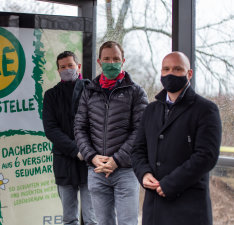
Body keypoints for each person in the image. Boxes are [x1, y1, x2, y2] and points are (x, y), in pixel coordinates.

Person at [131, 51, 222, 225]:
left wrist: (170, 184)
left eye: (177, 69)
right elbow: (137, 150)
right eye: (166, 69)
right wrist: (144, 173)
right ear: (161, 73)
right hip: (154, 208)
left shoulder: (206, 110)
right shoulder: (151, 110)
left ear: (189, 74)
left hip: (189, 208)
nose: (170, 73)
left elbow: (206, 157)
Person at [74, 41, 148, 225]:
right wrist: (91, 157)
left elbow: (140, 131)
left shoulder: (136, 92)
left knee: (127, 222)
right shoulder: (89, 91)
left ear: (123, 61)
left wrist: (117, 159)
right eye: (106, 59)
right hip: (97, 170)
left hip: (126, 171)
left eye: (116, 58)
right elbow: (80, 128)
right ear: (99, 61)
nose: (111, 62)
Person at [43, 51, 97, 225]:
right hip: (64, 162)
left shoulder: (92, 90)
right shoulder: (51, 95)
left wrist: (86, 150)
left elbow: (98, 124)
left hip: (90, 162)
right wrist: (75, 150)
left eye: (70, 66)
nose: (67, 69)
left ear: (78, 66)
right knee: (69, 218)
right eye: (63, 67)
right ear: (58, 70)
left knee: (92, 218)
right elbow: (51, 129)